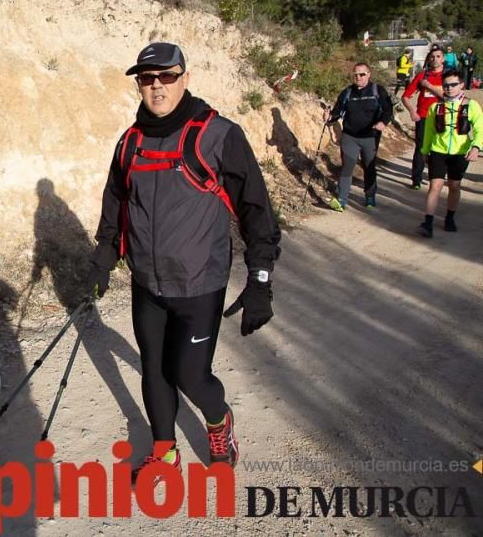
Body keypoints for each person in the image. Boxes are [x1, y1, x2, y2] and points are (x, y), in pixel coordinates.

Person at [86, 43, 281, 483]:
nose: (156, 86)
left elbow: (255, 209)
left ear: (185, 79)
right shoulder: (131, 139)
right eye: (146, 78)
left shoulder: (218, 134)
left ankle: (218, 421)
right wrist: (104, 253)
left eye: (166, 77)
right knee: (155, 371)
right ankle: (165, 452)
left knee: (190, 376)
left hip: (199, 282)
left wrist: (260, 280)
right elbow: (116, 198)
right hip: (147, 283)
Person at [416, 69, 482, 237]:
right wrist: (424, 151)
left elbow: (480, 129)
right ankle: (428, 222)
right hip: (438, 151)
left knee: (454, 186)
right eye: (446, 85)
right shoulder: (435, 107)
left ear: (461, 85)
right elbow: (429, 132)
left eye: (453, 85)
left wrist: (476, 147)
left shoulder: (471, 105)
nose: (449, 88)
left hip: (460, 152)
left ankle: (450, 218)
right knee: (435, 186)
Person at [325, 63, 393, 210]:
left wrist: (383, 122)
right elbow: (337, 112)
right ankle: (341, 199)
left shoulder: (377, 90)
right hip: (350, 136)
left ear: (369, 74)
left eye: (362, 74)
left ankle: (370, 196)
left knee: (369, 166)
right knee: (347, 167)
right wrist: (329, 117)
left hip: (370, 137)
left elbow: (388, 110)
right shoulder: (347, 93)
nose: (358, 77)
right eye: (355, 74)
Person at [402, 46, 446, 189]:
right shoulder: (422, 76)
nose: (435, 59)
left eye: (438, 56)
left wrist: (430, 87)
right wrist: (412, 112)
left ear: (443, 59)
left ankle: (436, 177)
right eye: (432, 57)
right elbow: (406, 97)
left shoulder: (448, 76)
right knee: (421, 148)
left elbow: (452, 97)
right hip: (423, 116)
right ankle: (416, 180)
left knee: (441, 148)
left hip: (443, 117)